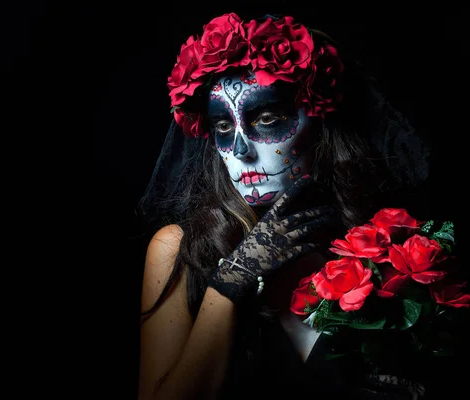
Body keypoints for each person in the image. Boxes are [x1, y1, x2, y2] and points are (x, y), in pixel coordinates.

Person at [136, 11, 465, 399]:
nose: (240, 150)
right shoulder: (178, 249)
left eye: (267, 118)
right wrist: (231, 282)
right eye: (224, 127)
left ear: (320, 124)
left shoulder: (383, 243)